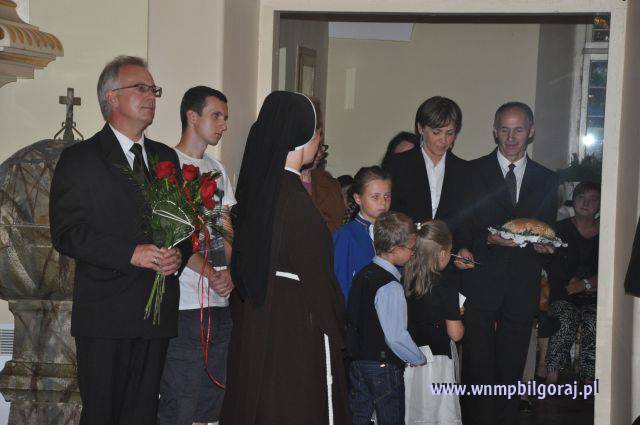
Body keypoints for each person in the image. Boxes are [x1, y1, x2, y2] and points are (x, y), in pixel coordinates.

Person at [49, 55, 190, 425]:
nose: (151, 96)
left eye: (154, 89)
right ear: (111, 97)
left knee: (143, 416)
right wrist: (131, 253)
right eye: (140, 88)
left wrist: (178, 255)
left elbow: (184, 224)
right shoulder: (80, 159)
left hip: (156, 315)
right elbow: (67, 232)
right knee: (104, 416)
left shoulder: (164, 158)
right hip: (106, 316)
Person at [221, 91, 350, 425]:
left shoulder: (259, 192)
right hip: (296, 326)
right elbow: (319, 281)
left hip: (257, 321)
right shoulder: (296, 202)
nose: (319, 141)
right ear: (303, 135)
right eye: (317, 132)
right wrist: (340, 327)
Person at [456, 102, 558, 425]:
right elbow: (460, 227)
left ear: (531, 131)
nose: (511, 138)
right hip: (482, 280)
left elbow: (547, 230)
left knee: (512, 365)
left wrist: (546, 247)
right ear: (494, 131)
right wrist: (488, 240)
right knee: (477, 364)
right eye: (504, 129)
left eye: (518, 130)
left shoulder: (547, 179)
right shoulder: (471, 172)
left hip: (522, 284)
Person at [157, 86, 235, 425]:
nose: (223, 125)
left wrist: (227, 271)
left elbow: (225, 227)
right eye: (216, 116)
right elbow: (172, 237)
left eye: (225, 117)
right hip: (186, 303)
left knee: (212, 401)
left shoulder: (217, 169)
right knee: (181, 400)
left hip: (219, 302)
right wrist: (209, 272)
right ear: (192, 116)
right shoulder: (168, 165)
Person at [347, 211, 426, 425]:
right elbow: (396, 336)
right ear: (395, 248)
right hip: (383, 367)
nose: (413, 253)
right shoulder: (390, 286)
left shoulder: (362, 275)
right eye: (411, 248)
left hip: (358, 362)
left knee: (360, 417)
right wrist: (417, 357)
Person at [385, 97, 470, 253]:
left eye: (450, 133)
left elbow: (465, 221)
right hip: (405, 254)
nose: (443, 140)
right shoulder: (398, 165)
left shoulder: (464, 170)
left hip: (447, 258)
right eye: (436, 132)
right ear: (421, 128)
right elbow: (388, 213)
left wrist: (463, 248)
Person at [403, 220, 464, 425]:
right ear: (443, 253)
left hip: (410, 358)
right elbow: (456, 333)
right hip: (437, 363)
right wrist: (457, 314)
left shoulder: (406, 280)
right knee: (437, 414)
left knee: (413, 413)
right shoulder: (446, 286)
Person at [545, 181, 600, 385]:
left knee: (594, 320)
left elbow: (611, 269)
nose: (586, 203)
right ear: (573, 200)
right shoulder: (559, 229)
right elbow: (552, 265)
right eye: (581, 197)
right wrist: (572, 282)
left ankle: (588, 380)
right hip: (563, 293)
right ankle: (552, 377)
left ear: (600, 205)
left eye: (593, 199)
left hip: (595, 295)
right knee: (566, 318)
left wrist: (586, 283)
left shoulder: (607, 233)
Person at [333, 166, 392, 299]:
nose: (383, 202)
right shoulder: (345, 236)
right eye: (375, 197)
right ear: (358, 198)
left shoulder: (393, 233)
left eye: (387, 196)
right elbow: (340, 286)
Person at [300, 98, 346, 232]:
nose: (319, 152)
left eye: (321, 146)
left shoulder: (329, 183)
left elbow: (338, 225)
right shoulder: (285, 181)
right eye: (315, 144)